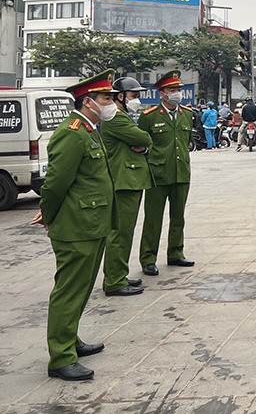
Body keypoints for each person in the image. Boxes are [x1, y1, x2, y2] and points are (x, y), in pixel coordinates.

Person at [30, 70, 118, 381]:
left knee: (81, 289)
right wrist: (48, 214)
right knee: (68, 291)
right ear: (88, 101)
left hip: (93, 223)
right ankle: (60, 358)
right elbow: (55, 184)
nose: (112, 103)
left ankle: (71, 340)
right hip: (76, 226)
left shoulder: (91, 130)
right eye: (106, 98)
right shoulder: (72, 132)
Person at [101, 76, 153, 298]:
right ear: (120, 97)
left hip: (129, 180)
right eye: (134, 96)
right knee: (120, 233)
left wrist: (142, 147)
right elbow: (143, 137)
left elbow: (142, 143)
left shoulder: (123, 117)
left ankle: (119, 275)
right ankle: (113, 281)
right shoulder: (116, 119)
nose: (137, 100)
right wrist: (143, 143)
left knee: (125, 232)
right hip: (123, 181)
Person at [138, 71, 193, 275]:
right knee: (153, 219)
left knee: (178, 216)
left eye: (178, 89)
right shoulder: (149, 116)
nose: (177, 93)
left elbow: (184, 144)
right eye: (172, 90)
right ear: (162, 94)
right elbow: (142, 145)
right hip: (157, 175)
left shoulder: (187, 113)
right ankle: (148, 258)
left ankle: (176, 253)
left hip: (181, 172)